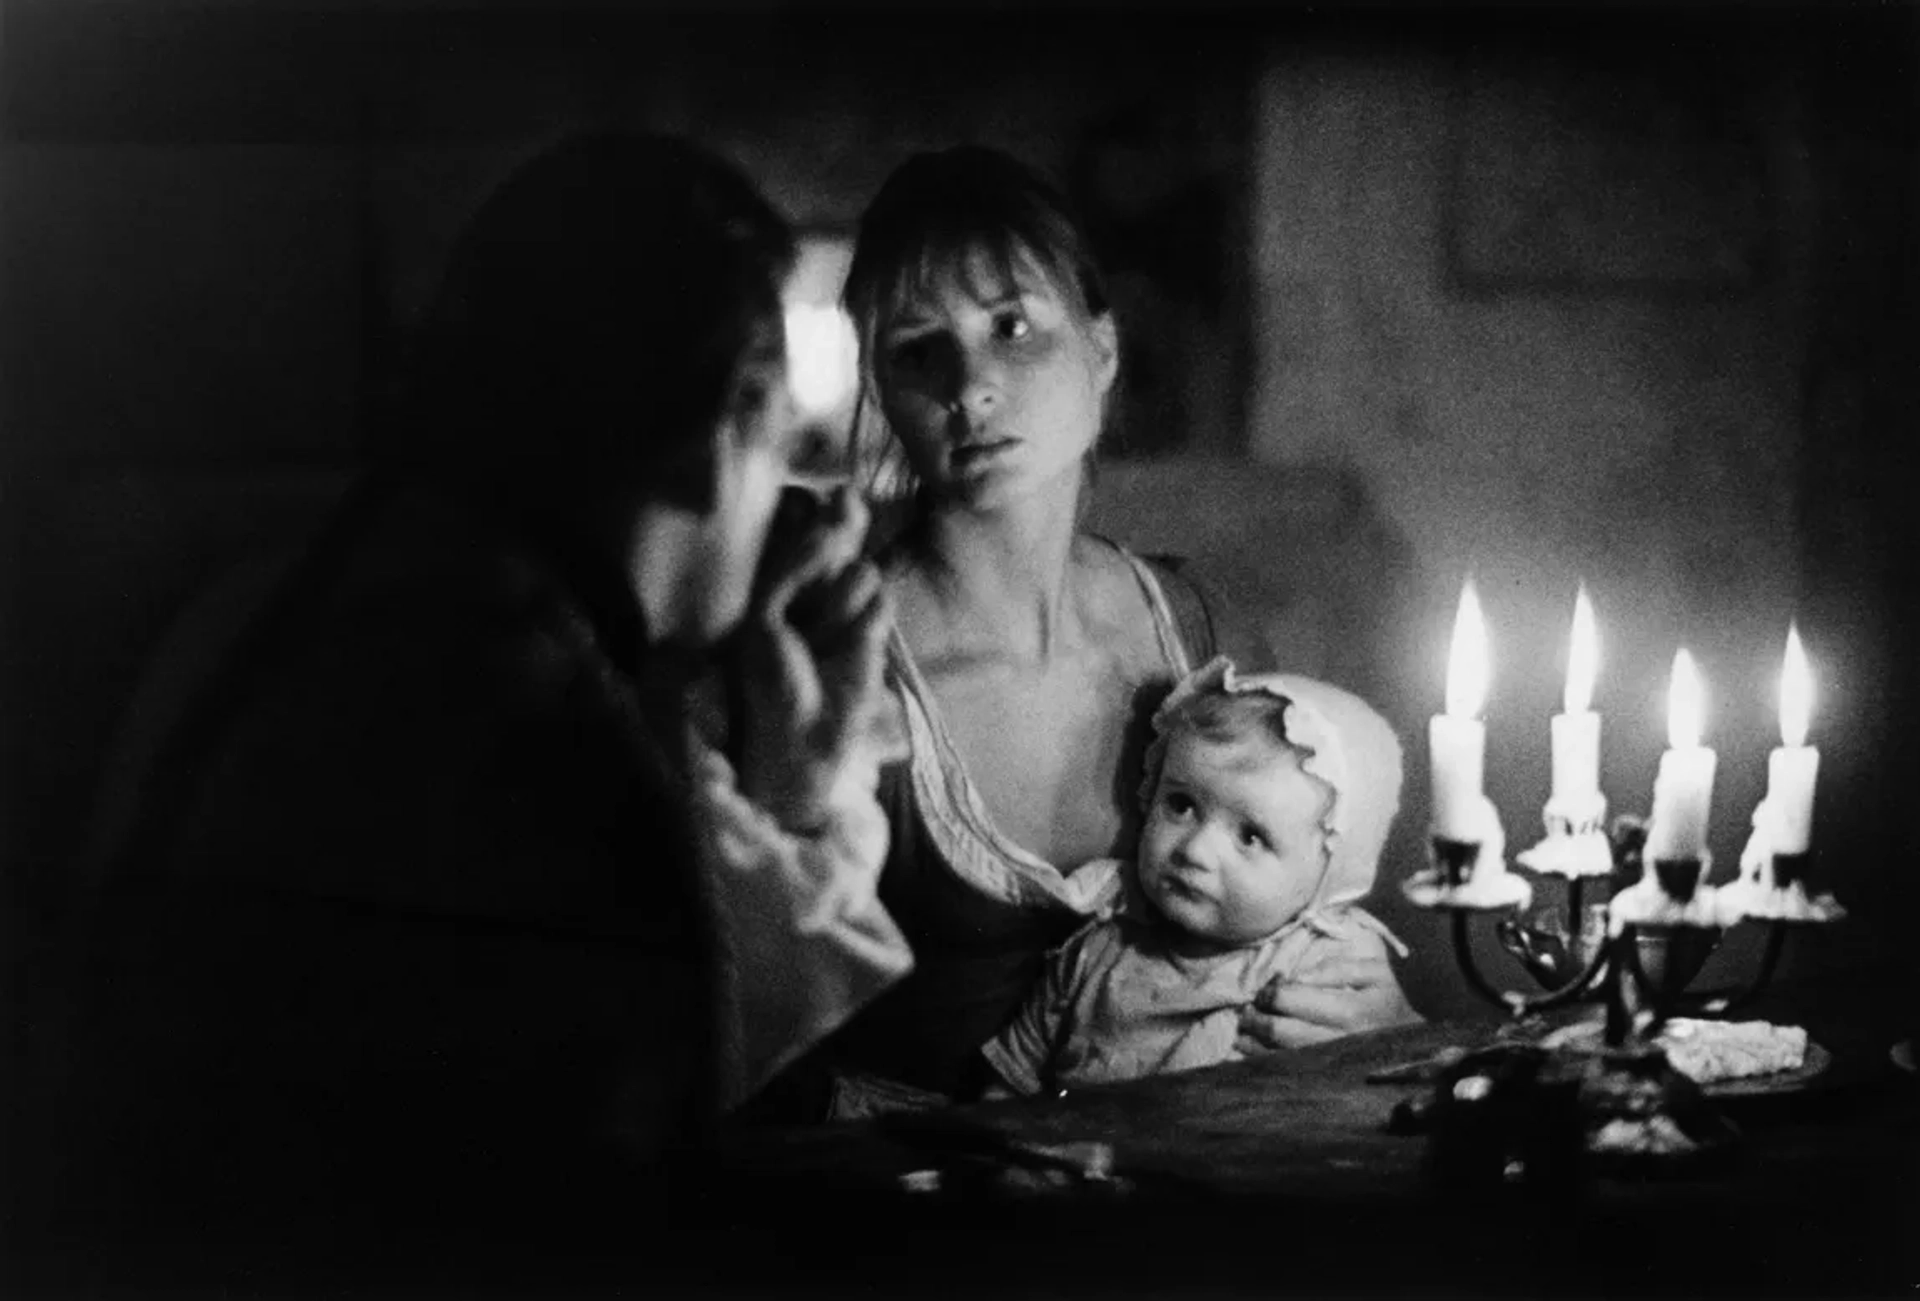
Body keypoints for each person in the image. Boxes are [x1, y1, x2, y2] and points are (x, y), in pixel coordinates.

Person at [21, 132, 911, 1283]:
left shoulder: (268, 601)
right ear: (718, 429)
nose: (787, 488)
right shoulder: (526, 716)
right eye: (782, 436)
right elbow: (647, 1125)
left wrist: (801, 759)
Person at [808, 144, 1417, 1117]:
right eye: (918, 346)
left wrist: (1366, 1017)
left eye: (1012, 326)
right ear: (878, 387)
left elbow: (1301, 909)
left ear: (1101, 350)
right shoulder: (837, 670)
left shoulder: (1199, 627)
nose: (971, 385)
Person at [982, 658, 1408, 1095]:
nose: (1194, 850)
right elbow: (1009, 1084)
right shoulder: (1100, 947)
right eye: (1182, 805)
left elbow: (1381, 1083)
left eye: (1250, 836)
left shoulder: (1326, 961)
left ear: (1327, 876)